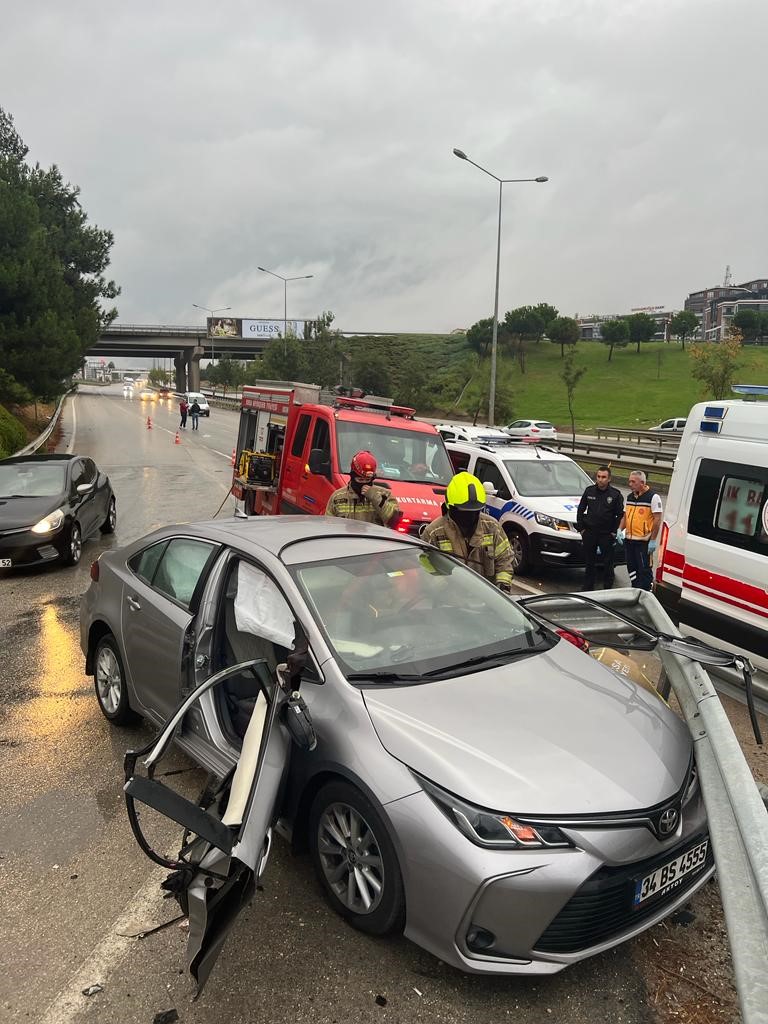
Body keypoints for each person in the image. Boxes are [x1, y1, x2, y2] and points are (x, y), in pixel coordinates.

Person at [421, 472, 514, 591]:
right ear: (450, 507)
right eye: (464, 512)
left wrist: (502, 586)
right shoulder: (433, 533)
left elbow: (505, 561)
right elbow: (427, 571)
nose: (470, 516)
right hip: (448, 603)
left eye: (475, 511)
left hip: (487, 601)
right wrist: (443, 589)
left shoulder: (492, 527)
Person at [576, 465, 624, 591]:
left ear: (609, 479)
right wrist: (581, 529)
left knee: (608, 562)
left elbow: (620, 514)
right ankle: (588, 586)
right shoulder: (589, 491)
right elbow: (581, 509)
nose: (600, 479)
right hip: (590, 532)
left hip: (606, 534)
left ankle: (607, 587)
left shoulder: (615, 494)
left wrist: (614, 532)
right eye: (598, 477)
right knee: (589, 561)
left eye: (604, 477)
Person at [325, 450, 401, 526]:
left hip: (373, 538)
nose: (364, 483)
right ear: (352, 476)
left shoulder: (385, 495)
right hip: (346, 538)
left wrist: (375, 497)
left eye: (367, 480)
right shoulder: (337, 497)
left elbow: (394, 521)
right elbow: (329, 526)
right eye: (360, 479)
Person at [619, 470, 663, 591]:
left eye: (633, 482)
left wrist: (653, 540)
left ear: (642, 483)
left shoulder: (653, 497)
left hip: (644, 542)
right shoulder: (630, 497)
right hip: (629, 540)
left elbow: (657, 519)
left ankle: (646, 593)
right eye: (629, 481)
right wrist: (619, 530)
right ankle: (635, 589)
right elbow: (625, 516)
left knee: (644, 569)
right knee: (631, 568)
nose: (630, 484)